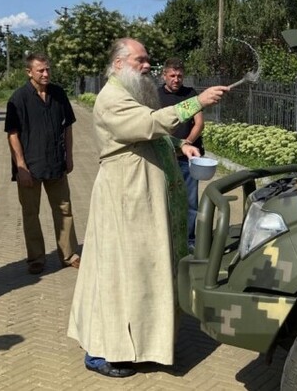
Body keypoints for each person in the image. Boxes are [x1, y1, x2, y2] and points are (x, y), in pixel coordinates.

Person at [67, 37, 228, 378]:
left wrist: (181, 144)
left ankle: (142, 342)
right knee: (116, 274)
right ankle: (101, 350)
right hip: (124, 199)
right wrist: (195, 102)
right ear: (119, 64)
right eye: (140, 60)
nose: (146, 66)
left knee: (141, 272)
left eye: (147, 60)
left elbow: (151, 130)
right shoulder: (111, 98)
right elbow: (148, 124)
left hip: (140, 200)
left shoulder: (128, 95)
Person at [5, 53, 80, 275]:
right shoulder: (18, 99)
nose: (46, 73)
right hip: (30, 166)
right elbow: (12, 134)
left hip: (56, 162)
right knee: (30, 213)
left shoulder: (58, 94)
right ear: (29, 72)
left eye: (48, 69)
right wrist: (21, 166)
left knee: (64, 209)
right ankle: (36, 258)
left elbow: (68, 126)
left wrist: (70, 156)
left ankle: (69, 254)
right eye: (41, 70)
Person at [158, 58, 204, 252]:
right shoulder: (155, 96)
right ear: (164, 75)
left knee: (190, 201)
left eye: (180, 76)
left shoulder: (190, 94)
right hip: (165, 157)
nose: (176, 79)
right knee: (164, 200)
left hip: (188, 158)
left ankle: (189, 241)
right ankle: (166, 239)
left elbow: (199, 123)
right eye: (172, 76)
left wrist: (186, 143)